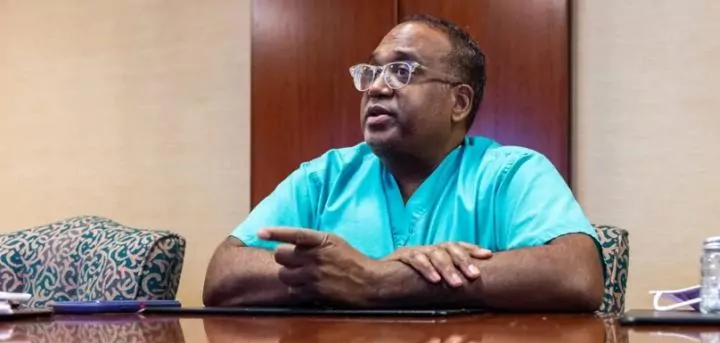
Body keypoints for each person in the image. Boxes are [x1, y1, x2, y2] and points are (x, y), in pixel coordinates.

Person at [203, 14, 604, 311]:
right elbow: (223, 274)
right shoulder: (325, 177)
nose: (376, 87)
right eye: (371, 72)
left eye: (400, 71)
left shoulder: (510, 173)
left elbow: (576, 275)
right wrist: (342, 276)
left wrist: (375, 280)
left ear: (459, 102)